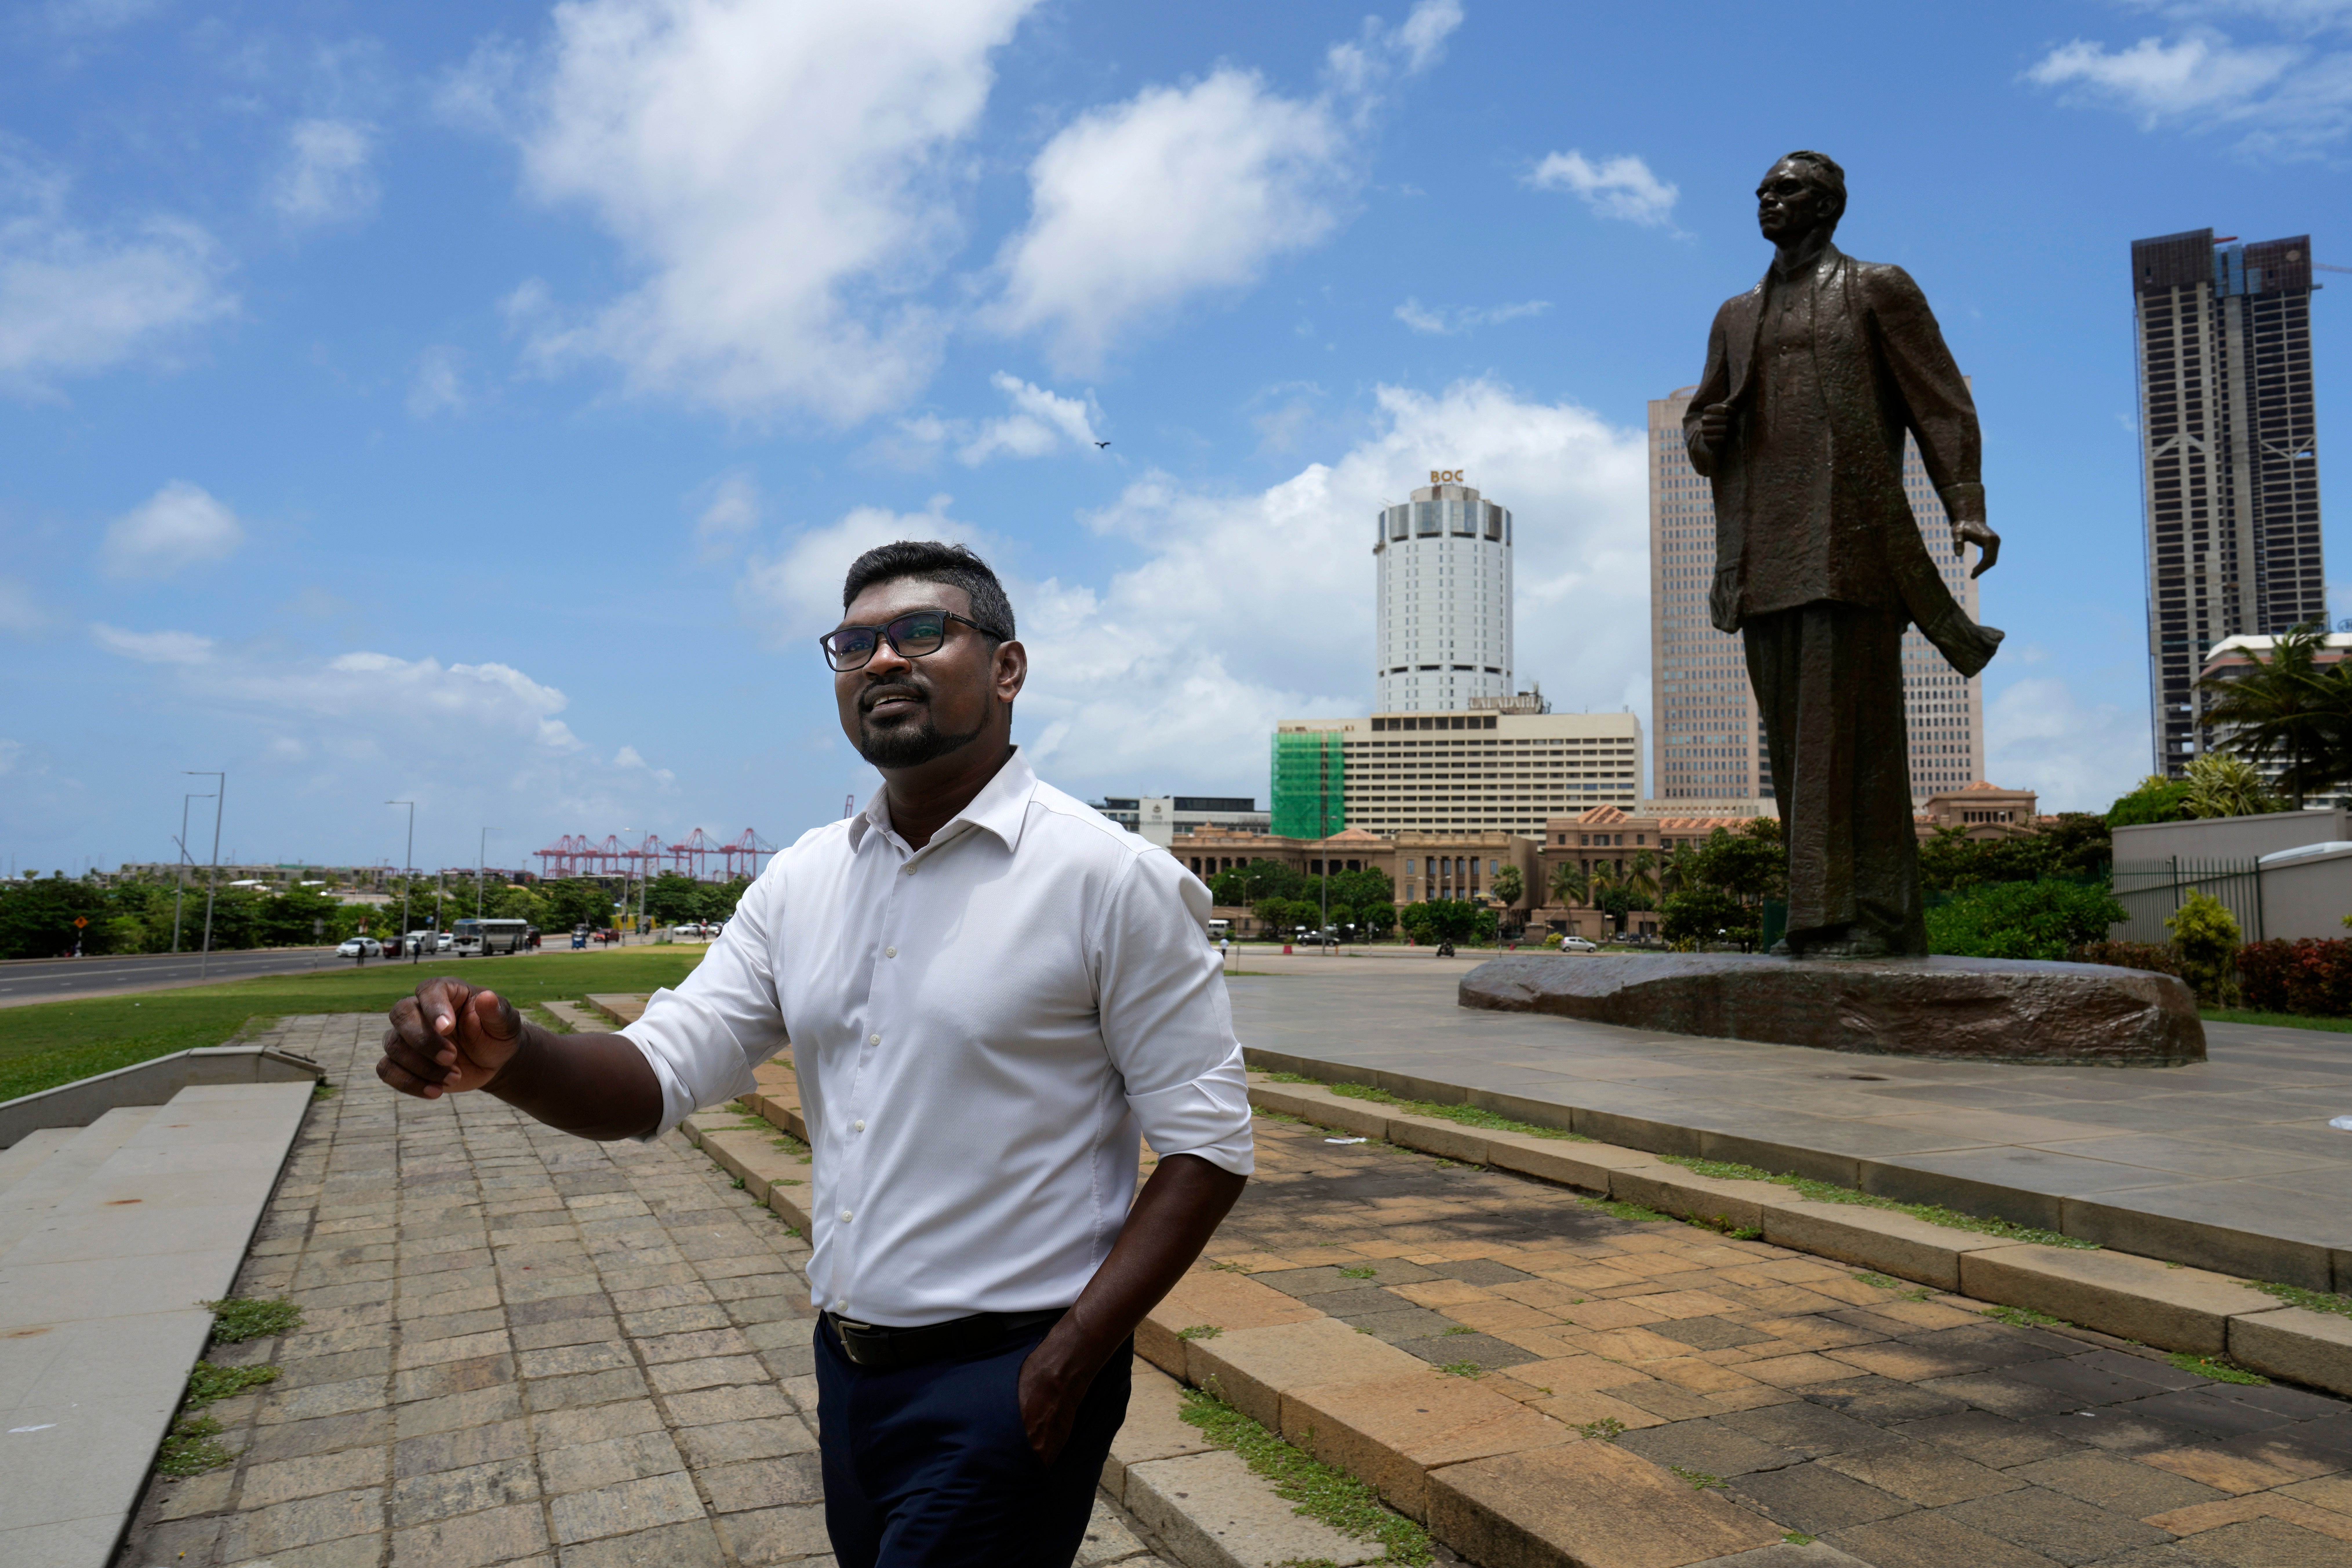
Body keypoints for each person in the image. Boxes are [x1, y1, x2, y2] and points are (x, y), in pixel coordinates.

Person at [375, 541, 1252, 1567]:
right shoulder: (802, 880)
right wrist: (508, 1055)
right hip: (848, 1369)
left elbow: (1207, 1148)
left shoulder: (1108, 879)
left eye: (921, 631)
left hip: (1011, 1372)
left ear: (1007, 669)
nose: (882, 660)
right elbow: (655, 1074)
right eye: (853, 643)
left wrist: (1066, 1363)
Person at [1685, 150, 2003, 958]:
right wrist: (1703, 436)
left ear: (1826, 206)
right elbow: (1701, 424)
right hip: (1762, 558)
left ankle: (1869, 920)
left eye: (1784, 189)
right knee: (1794, 747)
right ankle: (1818, 919)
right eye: (1760, 189)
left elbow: (1940, 403)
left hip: (1851, 545)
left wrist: (1965, 506)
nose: (1766, 199)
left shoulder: (1875, 288)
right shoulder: (1735, 313)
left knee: (1850, 739)